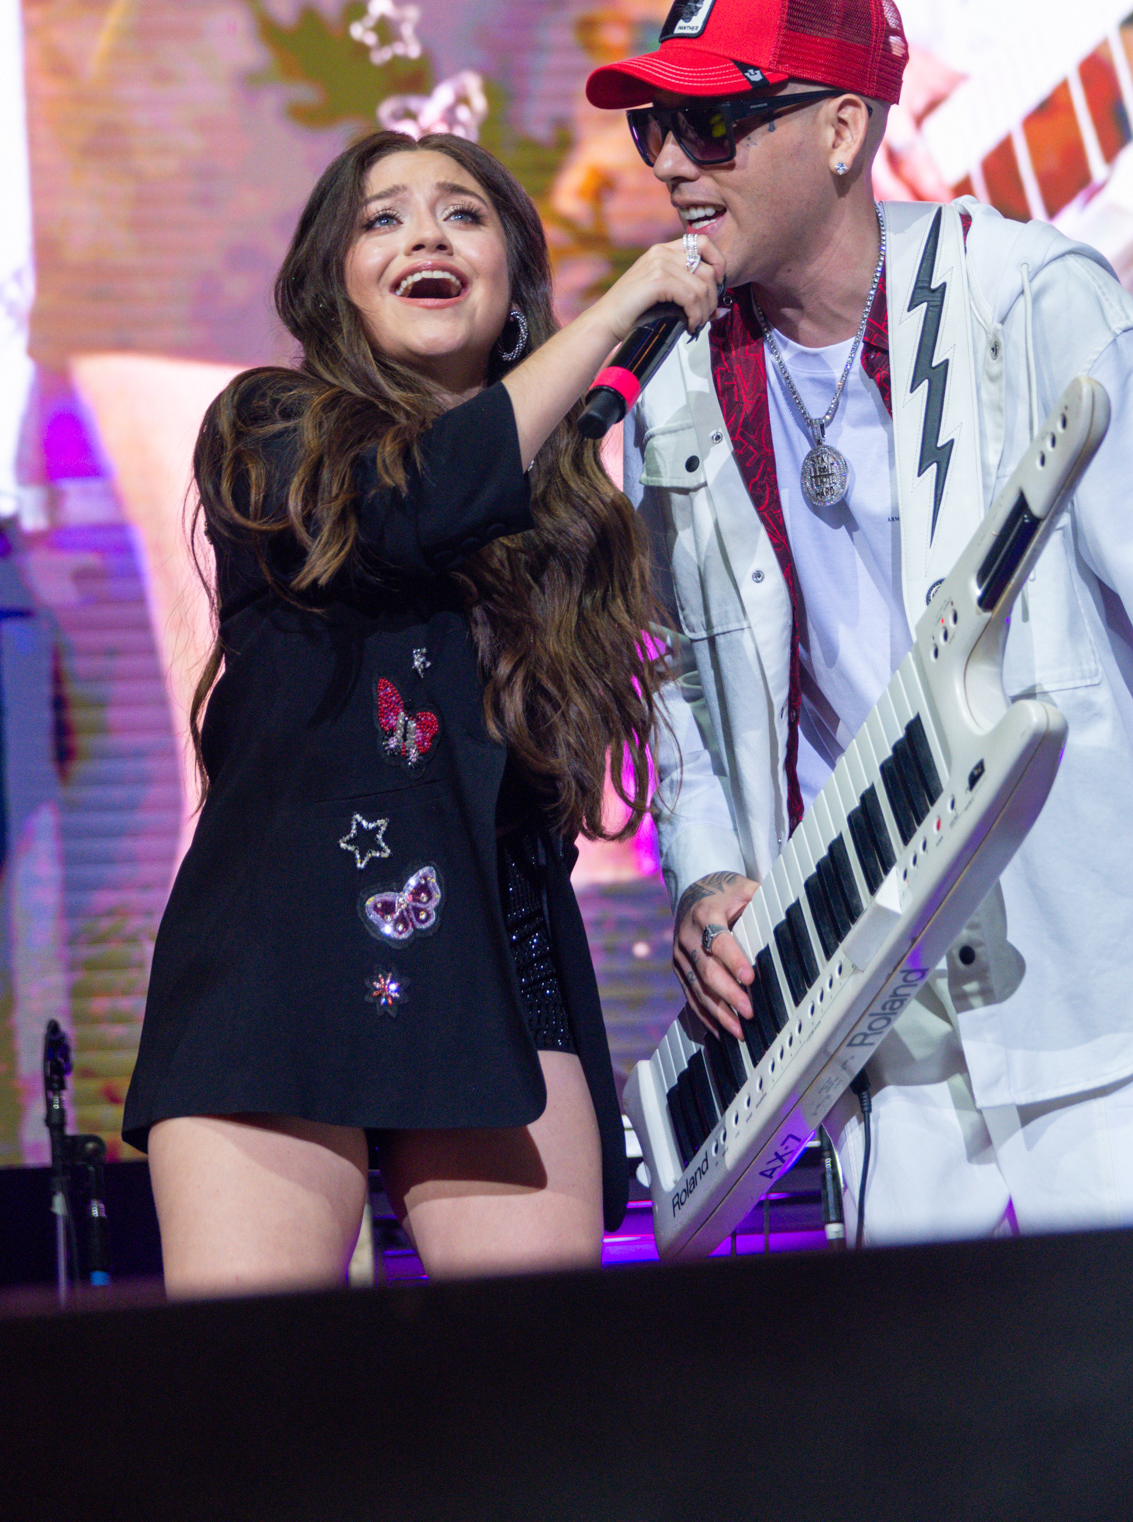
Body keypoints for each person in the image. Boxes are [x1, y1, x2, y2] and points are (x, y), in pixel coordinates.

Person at [589, 0, 1133, 1243]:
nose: (672, 162)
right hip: (880, 1036)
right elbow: (671, 678)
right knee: (939, 1442)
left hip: (1111, 1001)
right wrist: (708, 871)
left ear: (841, 128)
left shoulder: (1029, 297)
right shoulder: (670, 390)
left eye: (715, 121)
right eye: (656, 125)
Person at [121, 128, 722, 1295]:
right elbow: (417, 505)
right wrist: (615, 316)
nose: (427, 234)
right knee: (265, 1424)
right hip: (280, 956)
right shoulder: (268, 429)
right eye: (383, 218)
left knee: (539, 1424)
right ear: (332, 280)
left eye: (464, 212)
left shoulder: (568, 508)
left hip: (501, 961)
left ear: (507, 280)